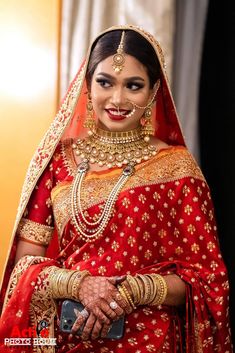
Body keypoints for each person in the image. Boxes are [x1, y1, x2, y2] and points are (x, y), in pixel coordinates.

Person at [0, 25, 233, 353]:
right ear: (88, 84)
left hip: (149, 340)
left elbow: (206, 278)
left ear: (153, 92)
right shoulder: (57, 162)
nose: (118, 99)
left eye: (133, 85)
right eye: (105, 82)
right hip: (71, 335)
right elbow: (25, 267)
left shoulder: (178, 169)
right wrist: (80, 285)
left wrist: (134, 291)